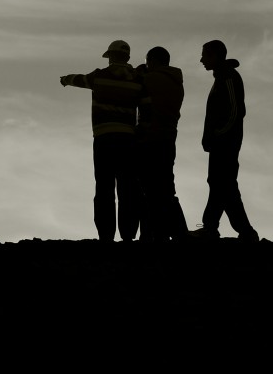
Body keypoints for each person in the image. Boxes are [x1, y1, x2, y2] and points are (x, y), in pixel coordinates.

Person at [60, 40, 145, 241]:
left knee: (104, 188)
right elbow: (146, 108)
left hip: (104, 138)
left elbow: (78, 79)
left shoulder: (100, 76)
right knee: (128, 188)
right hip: (128, 139)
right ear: (128, 57)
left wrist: (65, 79)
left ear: (111, 57)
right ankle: (128, 235)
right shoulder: (137, 79)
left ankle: (106, 236)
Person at [196, 39, 259, 241]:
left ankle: (215, 227)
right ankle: (240, 230)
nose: (201, 59)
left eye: (205, 55)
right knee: (223, 184)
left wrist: (218, 134)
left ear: (215, 55)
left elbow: (236, 110)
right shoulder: (222, 77)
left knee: (222, 183)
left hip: (226, 143)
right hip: (221, 142)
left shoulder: (229, 77)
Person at [133, 46, 188, 240]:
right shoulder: (176, 82)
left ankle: (153, 233)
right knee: (165, 187)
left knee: (148, 189)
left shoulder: (149, 79)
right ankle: (176, 232)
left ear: (152, 61)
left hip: (149, 139)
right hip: (168, 138)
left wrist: (139, 71)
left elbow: (133, 81)